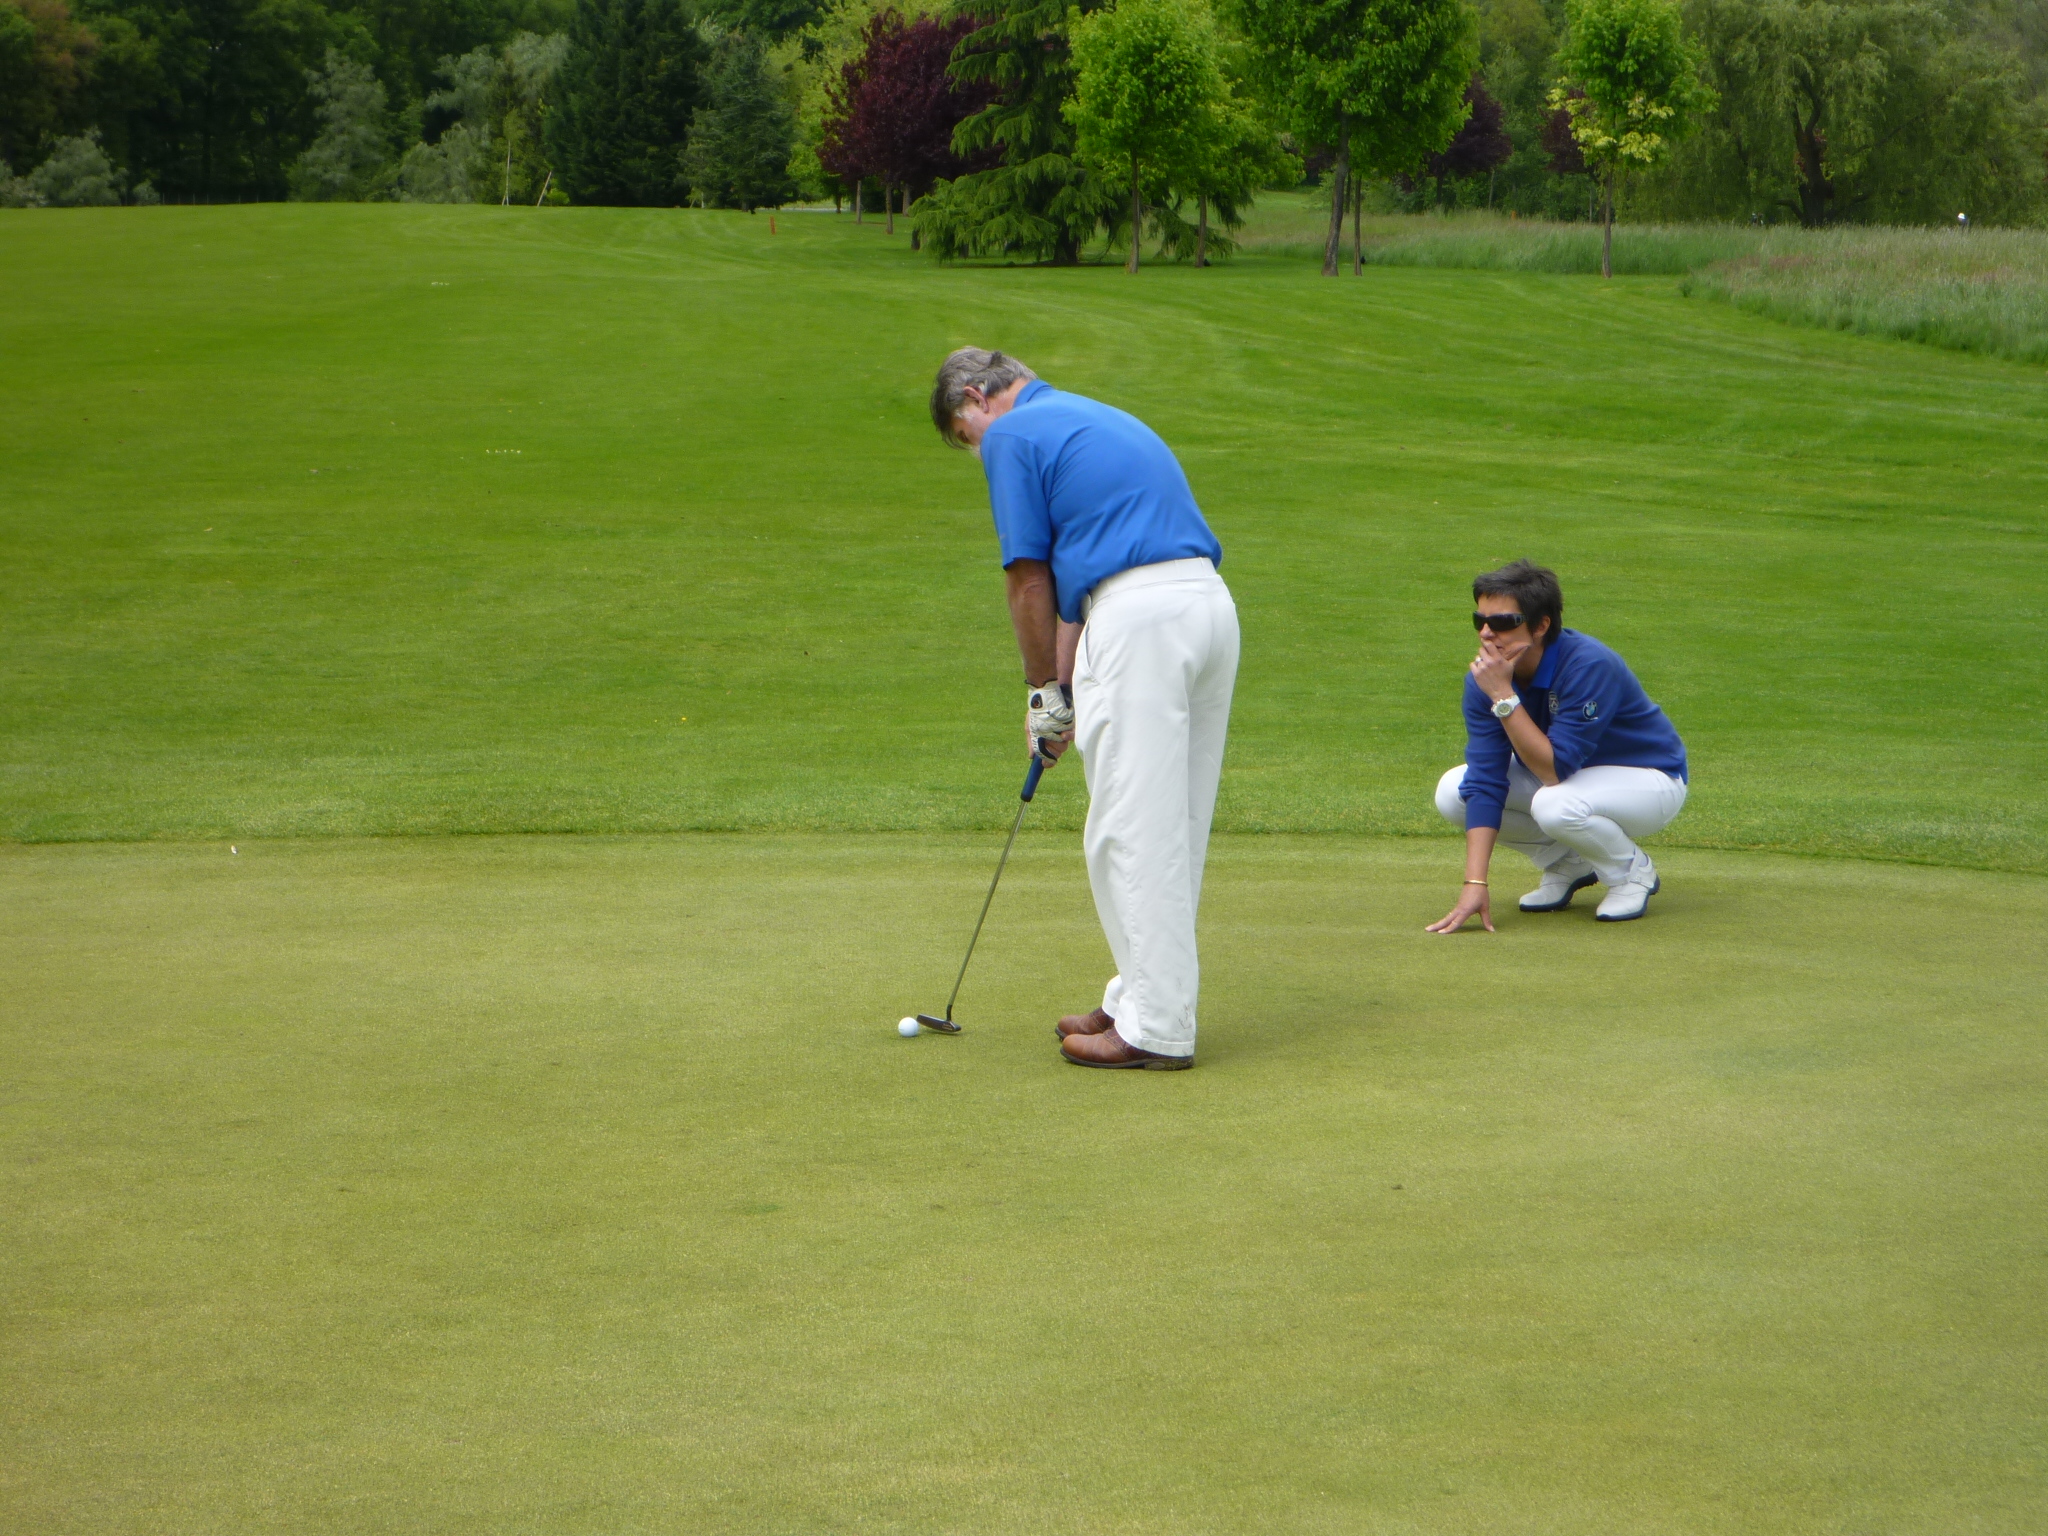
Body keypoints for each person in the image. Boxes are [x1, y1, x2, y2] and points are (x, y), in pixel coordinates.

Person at [930, 347, 1238, 1069]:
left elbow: (1028, 580)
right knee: (1173, 823)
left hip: (1141, 622)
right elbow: (1077, 590)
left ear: (978, 397)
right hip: (1204, 609)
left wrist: (1039, 690)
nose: (980, 452)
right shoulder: (1093, 418)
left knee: (1126, 829)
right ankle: (1138, 994)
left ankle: (1155, 1029)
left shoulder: (1011, 436)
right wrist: (1060, 701)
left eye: (966, 435)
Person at [1427, 560, 1688, 930]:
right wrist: (1475, 883)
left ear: (1541, 625)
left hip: (1651, 780)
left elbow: (1553, 769)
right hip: (1572, 780)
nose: (1486, 634)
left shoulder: (1587, 664)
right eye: (1479, 621)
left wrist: (1503, 696)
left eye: (1502, 622)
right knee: (1455, 791)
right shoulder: (1486, 679)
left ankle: (1631, 871)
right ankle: (1568, 862)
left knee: (1554, 804)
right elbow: (1486, 779)